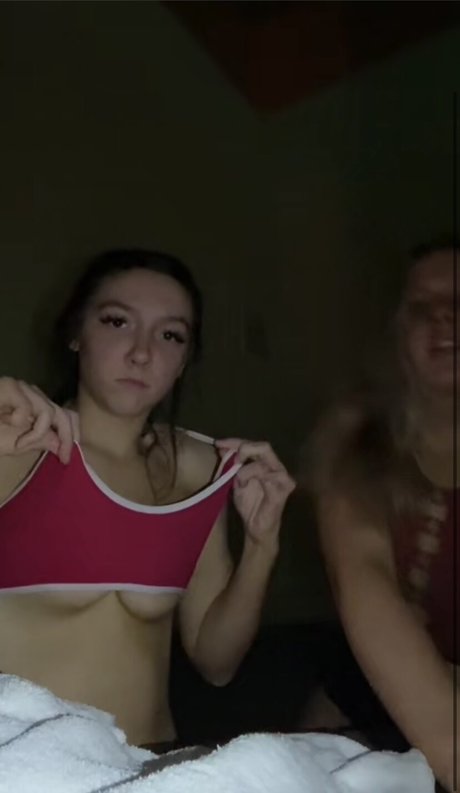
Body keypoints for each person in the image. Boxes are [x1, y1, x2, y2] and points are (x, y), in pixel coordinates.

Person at [0, 248, 295, 749]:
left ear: (184, 361)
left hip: (151, 763)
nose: (142, 353)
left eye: (170, 335)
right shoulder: (18, 447)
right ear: (75, 334)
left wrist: (262, 546)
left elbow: (217, 663)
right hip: (26, 769)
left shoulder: (198, 470)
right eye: (117, 322)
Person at [304, 238, 458, 791]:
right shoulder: (357, 436)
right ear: (398, 333)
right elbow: (364, 578)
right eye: (421, 308)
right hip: (368, 712)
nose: (443, 319)